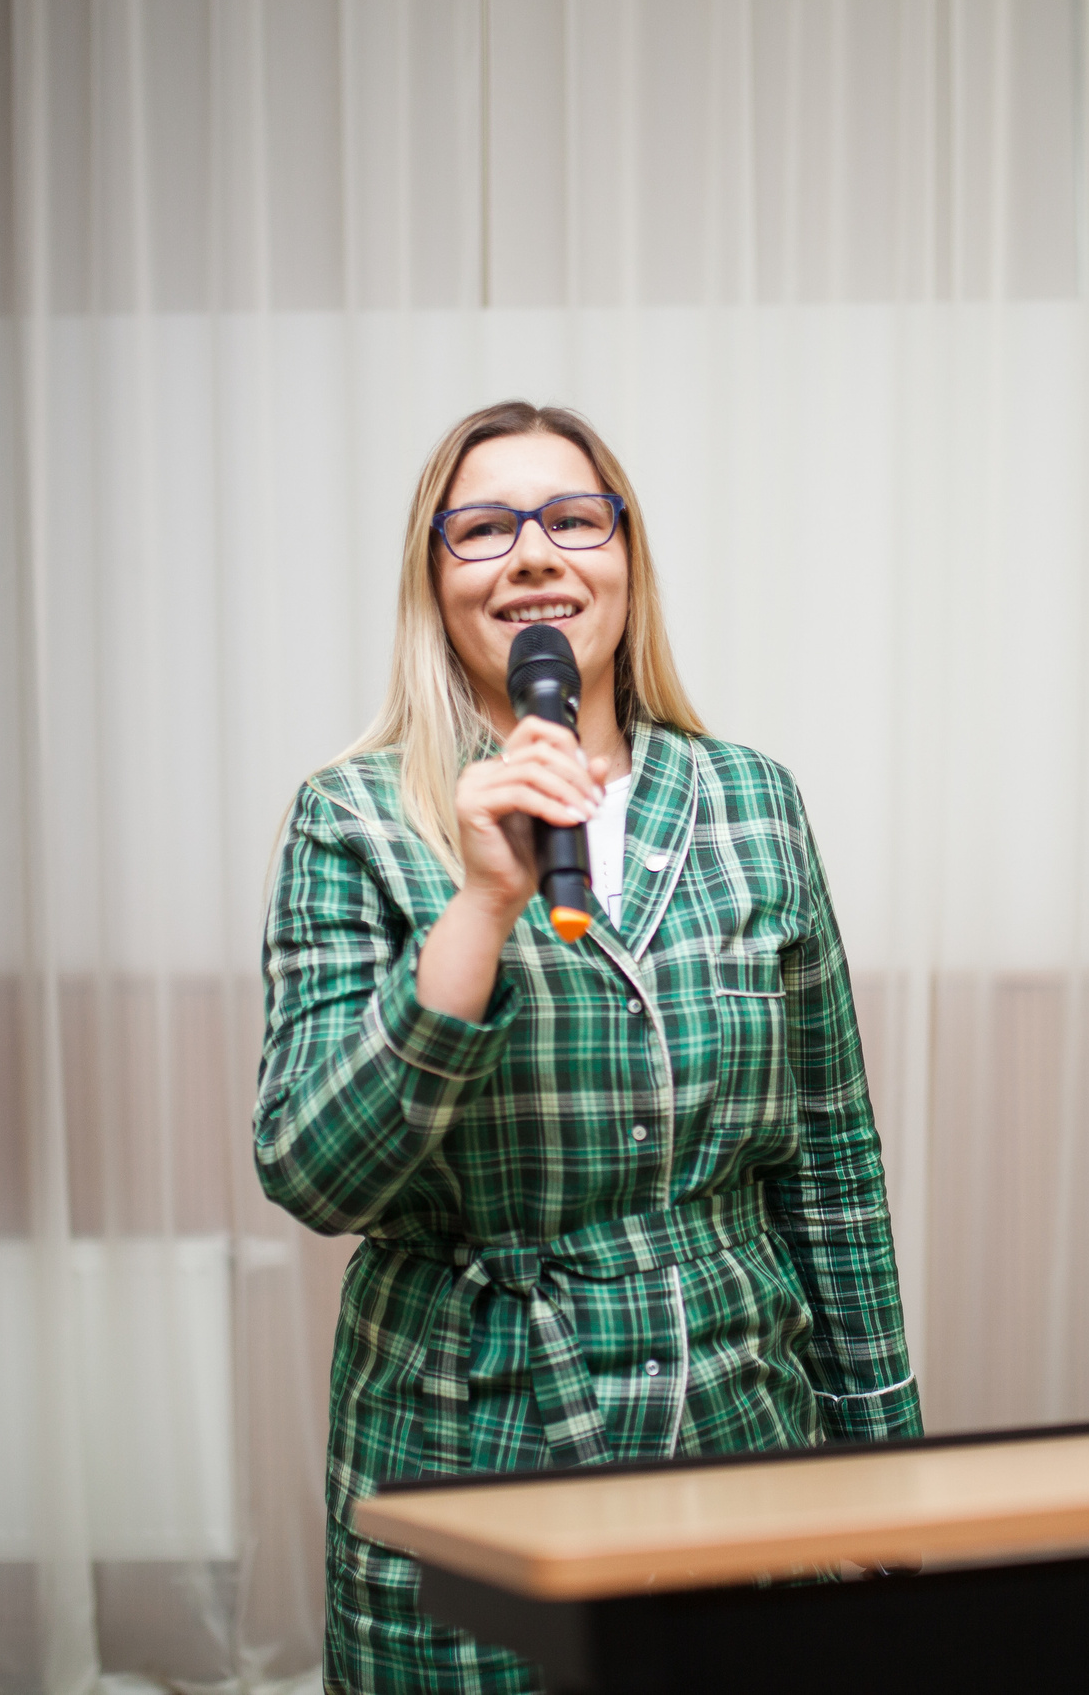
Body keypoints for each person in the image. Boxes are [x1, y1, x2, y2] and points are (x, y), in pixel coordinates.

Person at [253, 401, 920, 1693]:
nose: (536, 556)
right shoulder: (351, 821)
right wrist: (483, 906)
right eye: (483, 530)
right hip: (473, 1459)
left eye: (572, 520)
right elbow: (311, 1172)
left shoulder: (751, 803)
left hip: (738, 1445)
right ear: (434, 585)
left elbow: (832, 1170)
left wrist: (883, 1475)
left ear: (626, 559)